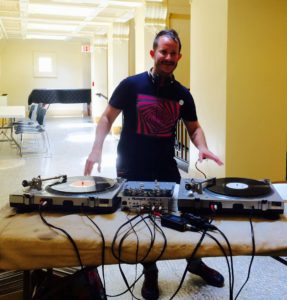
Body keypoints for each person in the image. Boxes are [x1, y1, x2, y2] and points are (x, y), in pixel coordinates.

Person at [85, 29, 224, 300]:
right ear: (153, 54)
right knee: (142, 223)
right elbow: (106, 118)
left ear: (179, 57)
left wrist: (203, 147)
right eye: (163, 51)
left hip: (165, 167)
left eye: (173, 53)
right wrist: (96, 148)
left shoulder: (183, 94)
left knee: (183, 215)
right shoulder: (130, 85)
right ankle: (150, 272)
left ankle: (194, 262)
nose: (168, 57)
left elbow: (194, 128)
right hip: (131, 167)